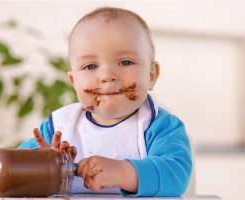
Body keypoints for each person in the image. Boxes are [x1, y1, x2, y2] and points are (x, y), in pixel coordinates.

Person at [19, 7, 192, 197]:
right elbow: (17, 171)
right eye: (90, 66)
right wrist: (47, 163)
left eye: (125, 62)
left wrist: (124, 172)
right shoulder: (58, 127)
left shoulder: (159, 126)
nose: (107, 76)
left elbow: (176, 174)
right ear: (74, 82)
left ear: (151, 75)